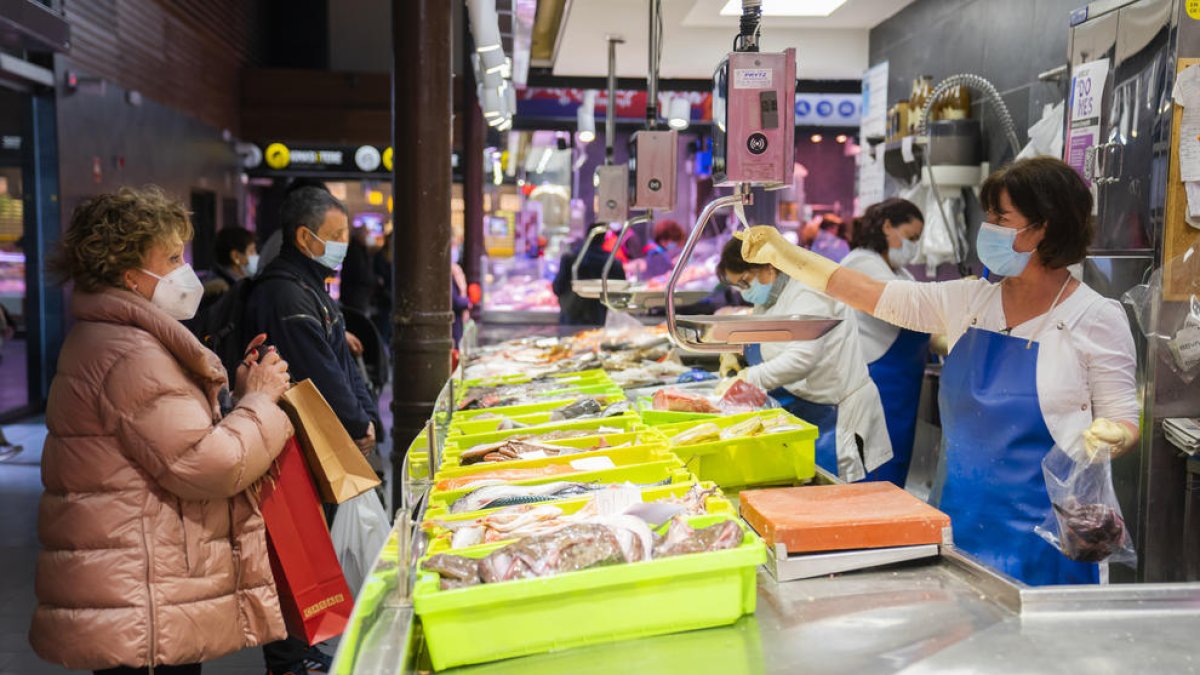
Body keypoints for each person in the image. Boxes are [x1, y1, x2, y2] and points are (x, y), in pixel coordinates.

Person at [737, 156, 1140, 586]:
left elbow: (1123, 418)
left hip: (1050, 543)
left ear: (1042, 227)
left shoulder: (1095, 316)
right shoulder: (969, 302)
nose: (988, 227)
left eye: (1001, 217)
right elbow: (869, 293)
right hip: (959, 527)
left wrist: (1113, 433)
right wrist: (786, 255)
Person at [30, 187, 294, 674]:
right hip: (141, 583)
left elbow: (169, 439)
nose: (183, 271)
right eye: (171, 258)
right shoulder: (132, 353)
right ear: (131, 275)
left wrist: (234, 397)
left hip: (133, 576)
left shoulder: (113, 337)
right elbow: (207, 464)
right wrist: (261, 401)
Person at [244, 187, 381, 674]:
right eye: (337, 235)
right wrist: (359, 422)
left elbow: (342, 364)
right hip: (294, 449)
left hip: (319, 444)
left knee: (313, 553)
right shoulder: (284, 294)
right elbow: (317, 372)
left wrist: (366, 416)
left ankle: (308, 650)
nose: (345, 244)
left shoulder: (312, 290)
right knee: (293, 556)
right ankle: (294, 659)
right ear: (305, 238)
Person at [715, 237, 892, 483]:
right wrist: (734, 348)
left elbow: (802, 358)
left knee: (837, 499)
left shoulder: (807, 290)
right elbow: (769, 330)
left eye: (746, 281)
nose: (746, 292)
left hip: (835, 414)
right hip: (807, 407)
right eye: (739, 287)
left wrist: (749, 378)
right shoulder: (770, 295)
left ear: (769, 266)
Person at [841, 198, 928, 486]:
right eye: (911, 237)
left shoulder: (897, 271)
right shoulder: (862, 262)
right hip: (876, 383)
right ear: (887, 226)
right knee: (874, 472)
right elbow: (905, 308)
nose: (913, 245)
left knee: (892, 468)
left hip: (899, 392)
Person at [552, 222, 626, 326]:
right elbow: (622, 293)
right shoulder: (613, 263)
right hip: (602, 321)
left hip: (571, 320)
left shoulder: (569, 259)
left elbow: (557, 288)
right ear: (604, 239)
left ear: (586, 236)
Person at [339, 224, 376, 316]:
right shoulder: (356, 252)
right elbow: (361, 274)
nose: (368, 236)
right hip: (356, 298)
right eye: (366, 234)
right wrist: (375, 280)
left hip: (356, 296)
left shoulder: (358, 250)